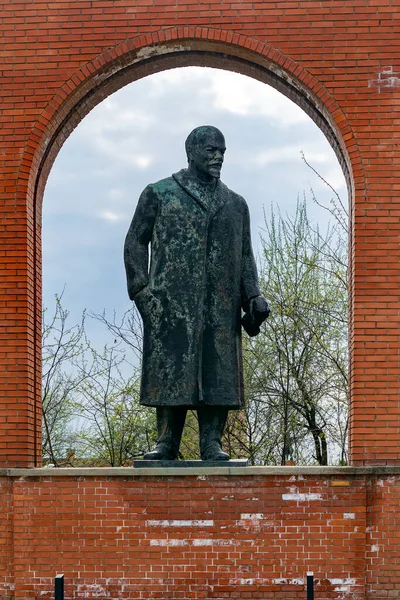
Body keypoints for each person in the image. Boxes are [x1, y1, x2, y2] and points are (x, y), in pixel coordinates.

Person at [124, 126, 269, 461]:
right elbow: (135, 241)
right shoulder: (159, 193)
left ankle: (211, 443)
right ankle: (166, 442)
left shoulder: (235, 204)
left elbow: (245, 255)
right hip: (170, 304)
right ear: (191, 152)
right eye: (211, 150)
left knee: (218, 373)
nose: (218, 157)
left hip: (220, 305)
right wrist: (142, 291)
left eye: (222, 151)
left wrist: (253, 297)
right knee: (171, 370)